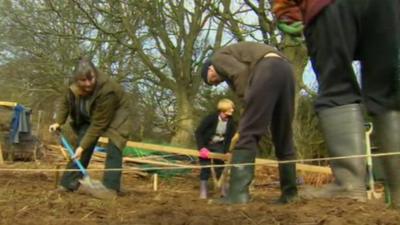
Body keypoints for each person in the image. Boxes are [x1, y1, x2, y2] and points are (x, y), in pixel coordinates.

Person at [273, 0, 400, 206]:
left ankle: (349, 185)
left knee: (336, 86)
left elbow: (287, 12)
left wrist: (287, 14)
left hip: (328, 5)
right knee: (386, 93)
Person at [200, 41, 298, 204]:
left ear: (210, 69)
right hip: (286, 69)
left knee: (247, 134)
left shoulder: (217, 58)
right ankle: (290, 194)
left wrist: (248, 104)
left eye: (212, 80)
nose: (216, 83)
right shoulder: (235, 54)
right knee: (283, 135)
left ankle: (237, 195)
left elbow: (240, 72)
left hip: (267, 69)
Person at [49, 57, 133, 197]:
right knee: (82, 144)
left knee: (115, 143)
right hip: (91, 111)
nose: (88, 83)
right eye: (83, 81)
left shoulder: (108, 90)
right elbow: (65, 101)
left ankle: (111, 187)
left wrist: (82, 147)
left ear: (95, 74)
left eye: (91, 79)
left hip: (117, 113)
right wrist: (59, 121)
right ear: (76, 79)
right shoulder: (71, 83)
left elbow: (99, 124)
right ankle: (69, 183)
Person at [195, 98, 236, 199]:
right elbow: (198, 132)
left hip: (219, 145)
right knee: (205, 167)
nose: (232, 110)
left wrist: (227, 151)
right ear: (223, 109)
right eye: (230, 108)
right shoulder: (211, 118)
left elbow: (230, 138)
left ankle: (224, 191)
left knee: (220, 168)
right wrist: (201, 148)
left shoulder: (231, 122)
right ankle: (203, 192)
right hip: (206, 145)